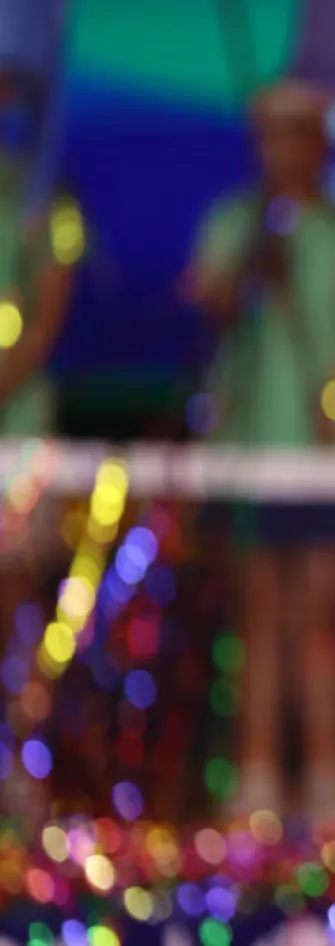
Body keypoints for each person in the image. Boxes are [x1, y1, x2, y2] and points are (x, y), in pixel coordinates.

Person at [183, 79, 335, 835]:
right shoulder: (238, 223)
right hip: (249, 448)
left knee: (320, 616)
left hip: (327, 457)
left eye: (297, 133)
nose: (283, 149)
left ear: (320, 142)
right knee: (258, 616)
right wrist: (251, 265)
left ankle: (326, 773)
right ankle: (254, 774)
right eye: (269, 134)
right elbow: (205, 299)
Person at [0, 65, 81, 825]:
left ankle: (16, 768)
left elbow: (46, 313)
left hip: (16, 444)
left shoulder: (38, 201)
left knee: (16, 606)